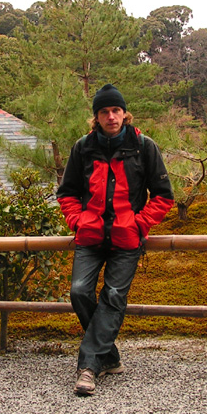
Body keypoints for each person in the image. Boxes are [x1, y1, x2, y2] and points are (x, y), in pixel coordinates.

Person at [56, 84, 174, 396]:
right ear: (96, 116)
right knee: (79, 292)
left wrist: (140, 224)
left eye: (116, 110)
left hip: (127, 238)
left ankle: (89, 367)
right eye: (105, 111)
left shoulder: (142, 146)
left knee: (112, 297)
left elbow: (164, 196)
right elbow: (66, 192)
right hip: (90, 235)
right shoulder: (83, 147)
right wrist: (77, 220)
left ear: (124, 113)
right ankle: (109, 356)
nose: (111, 116)